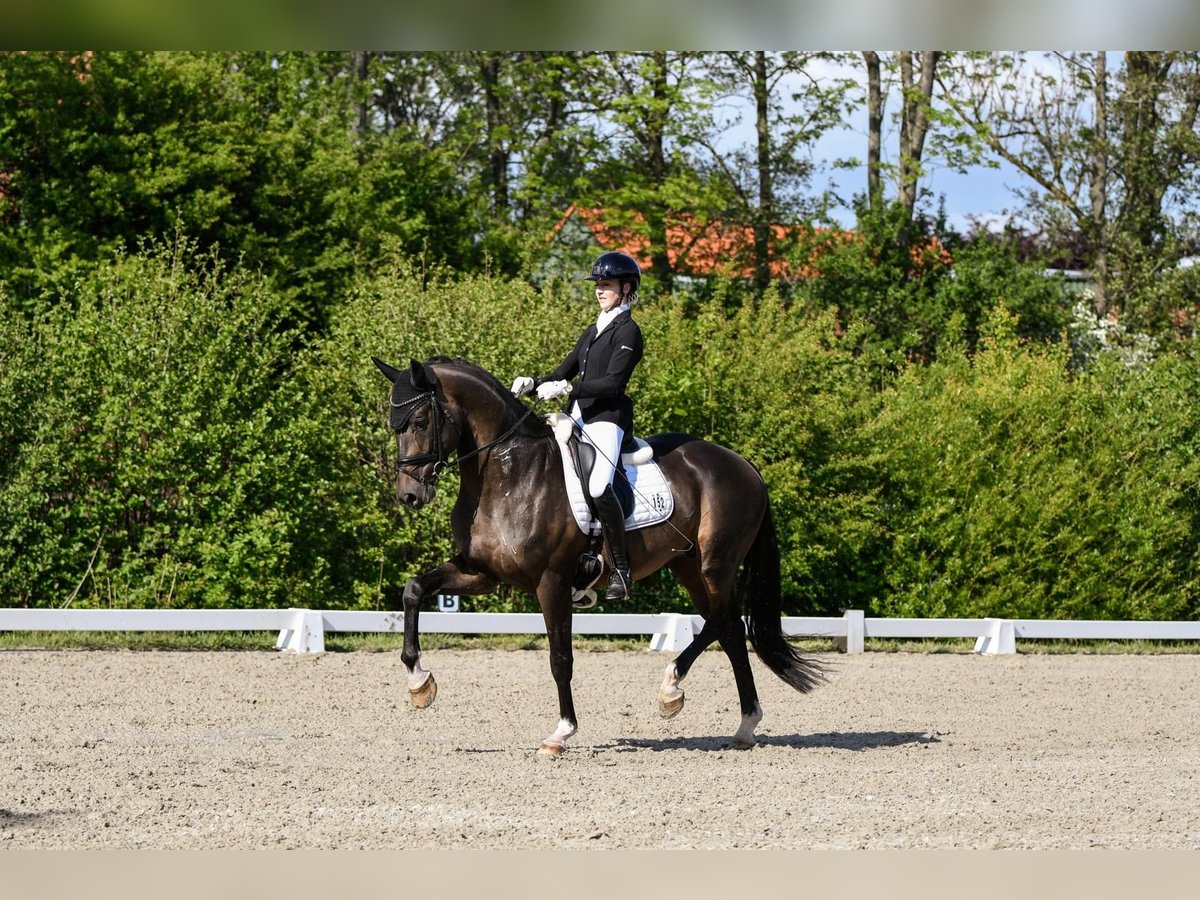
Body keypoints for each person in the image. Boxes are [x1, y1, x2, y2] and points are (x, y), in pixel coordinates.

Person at [510, 250, 645, 601]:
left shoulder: (629, 331)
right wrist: (534, 382)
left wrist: (570, 388)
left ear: (626, 288)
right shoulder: (592, 330)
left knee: (600, 486)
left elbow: (613, 383)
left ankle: (620, 570)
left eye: (607, 285)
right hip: (577, 417)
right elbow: (562, 372)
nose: (599, 291)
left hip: (607, 420)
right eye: (598, 285)